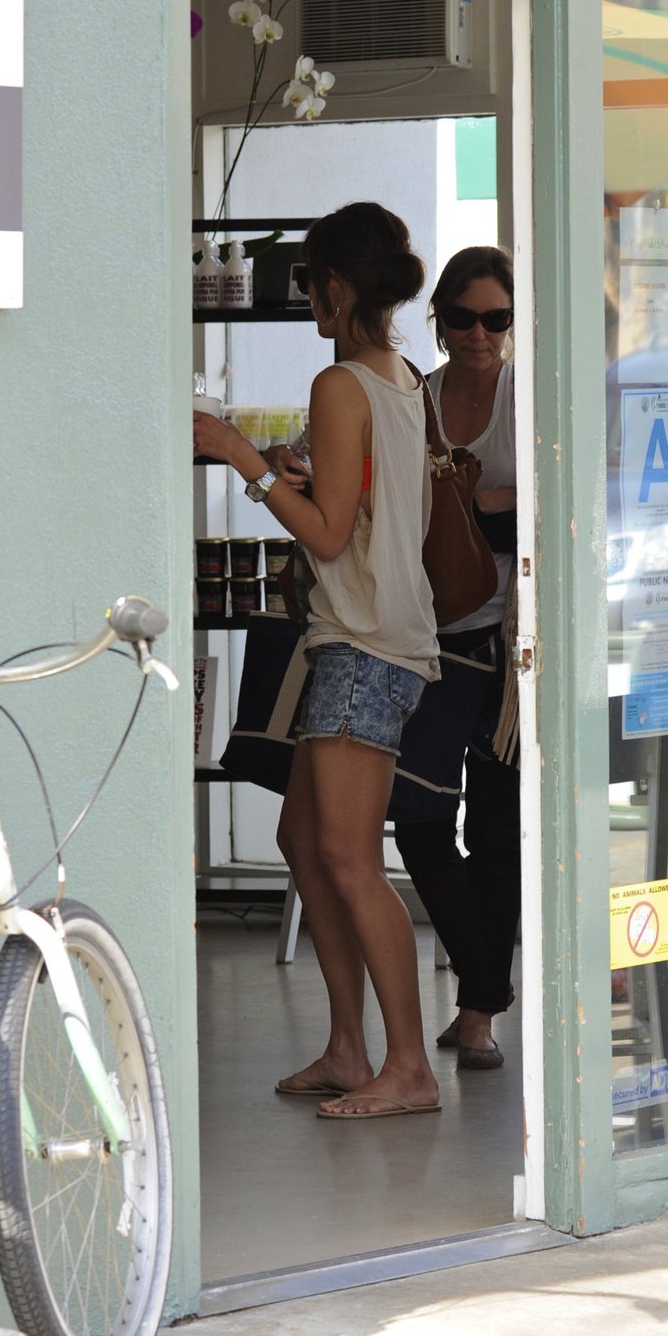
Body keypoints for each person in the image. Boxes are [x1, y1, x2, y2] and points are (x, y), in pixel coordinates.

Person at [193, 201, 442, 1121]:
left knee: (345, 856)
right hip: (382, 635)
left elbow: (331, 538)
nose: (305, 302)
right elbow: (363, 512)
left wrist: (238, 459)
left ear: (334, 288)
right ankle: (347, 1047)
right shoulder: (402, 377)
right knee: (305, 841)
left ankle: (407, 1066)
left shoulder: (341, 383)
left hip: (363, 641)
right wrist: (290, 479)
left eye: (307, 285)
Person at [392, 246, 521, 1071]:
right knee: (420, 818)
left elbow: (568, 493)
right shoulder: (418, 399)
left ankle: (476, 1014)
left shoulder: (529, 394)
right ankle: (483, 979)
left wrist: (469, 500)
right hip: (432, 631)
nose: (480, 334)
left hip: (515, 643)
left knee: (499, 830)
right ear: (438, 319)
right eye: (464, 318)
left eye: (497, 319)